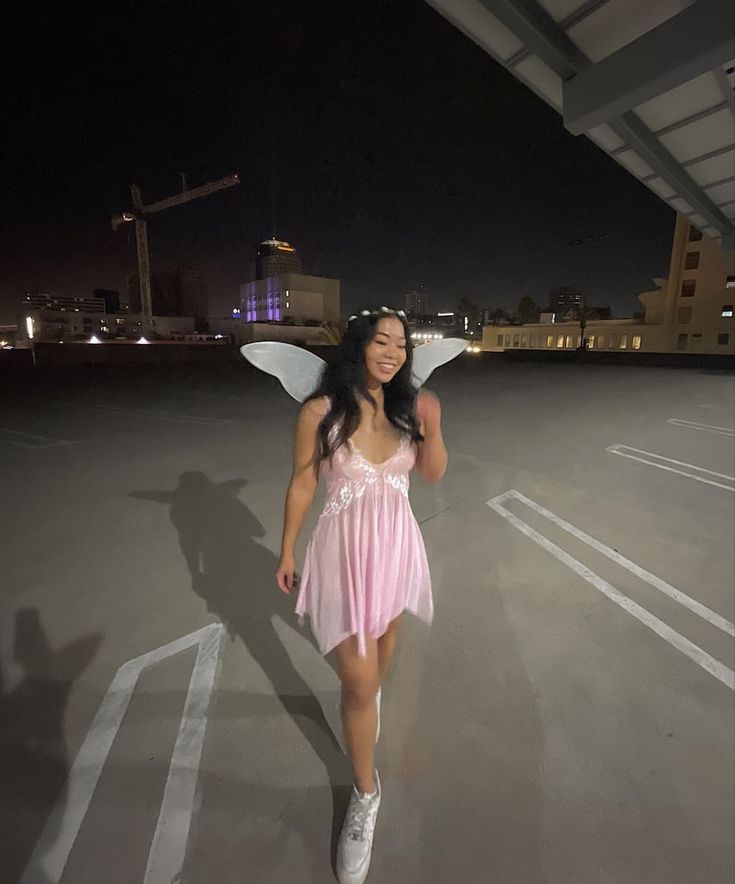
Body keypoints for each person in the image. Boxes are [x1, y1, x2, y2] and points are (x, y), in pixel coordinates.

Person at [275, 306, 447, 884]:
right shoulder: (320, 412)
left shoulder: (406, 410)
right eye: (381, 340)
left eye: (401, 343)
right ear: (358, 346)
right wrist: (288, 548)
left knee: (382, 654)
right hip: (343, 556)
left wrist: (434, 424)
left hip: (396, 550)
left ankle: (364, 714)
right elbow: (303, 480)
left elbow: (432, 474)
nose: (393, 351)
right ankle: (366, 795)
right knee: (361, 680)